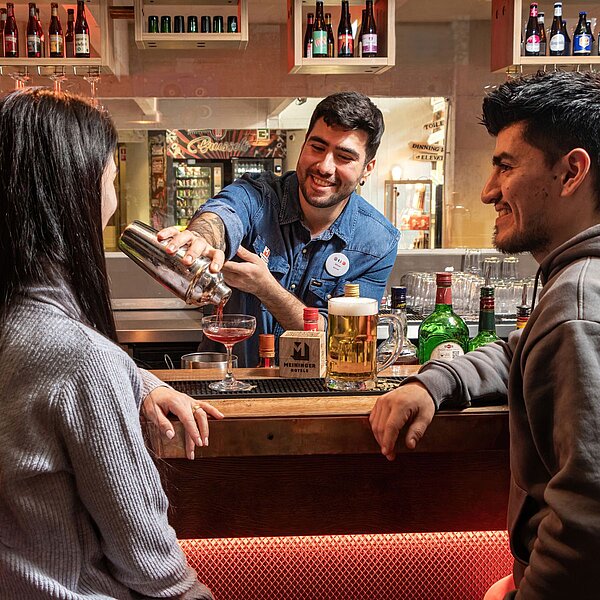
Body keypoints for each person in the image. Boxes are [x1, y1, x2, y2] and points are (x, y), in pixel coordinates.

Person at [370, 70, 600, 599]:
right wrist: (437, 380)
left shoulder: (579, 304)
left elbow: (589, 516)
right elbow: (519, 349)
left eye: (506, 166)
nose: (487, 190)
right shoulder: (573, 291)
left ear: (571, 172)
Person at [0, 89, 218, 599]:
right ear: (76, 192)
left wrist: (134, 379)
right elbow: (154, 568)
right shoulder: (81, 362)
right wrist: (112, 374)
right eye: (111, 180)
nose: (115, 197)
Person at [158, 92, 400, 366]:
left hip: (318, 395)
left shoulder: (377, 243)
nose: (324, 166)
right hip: (232, 386)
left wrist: (267, 289)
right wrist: (202, 237)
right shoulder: (260, 196)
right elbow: (223, 213)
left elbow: (339, 341)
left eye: (344, 156)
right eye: (317, 147)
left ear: (367, 169)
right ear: (304, 145)